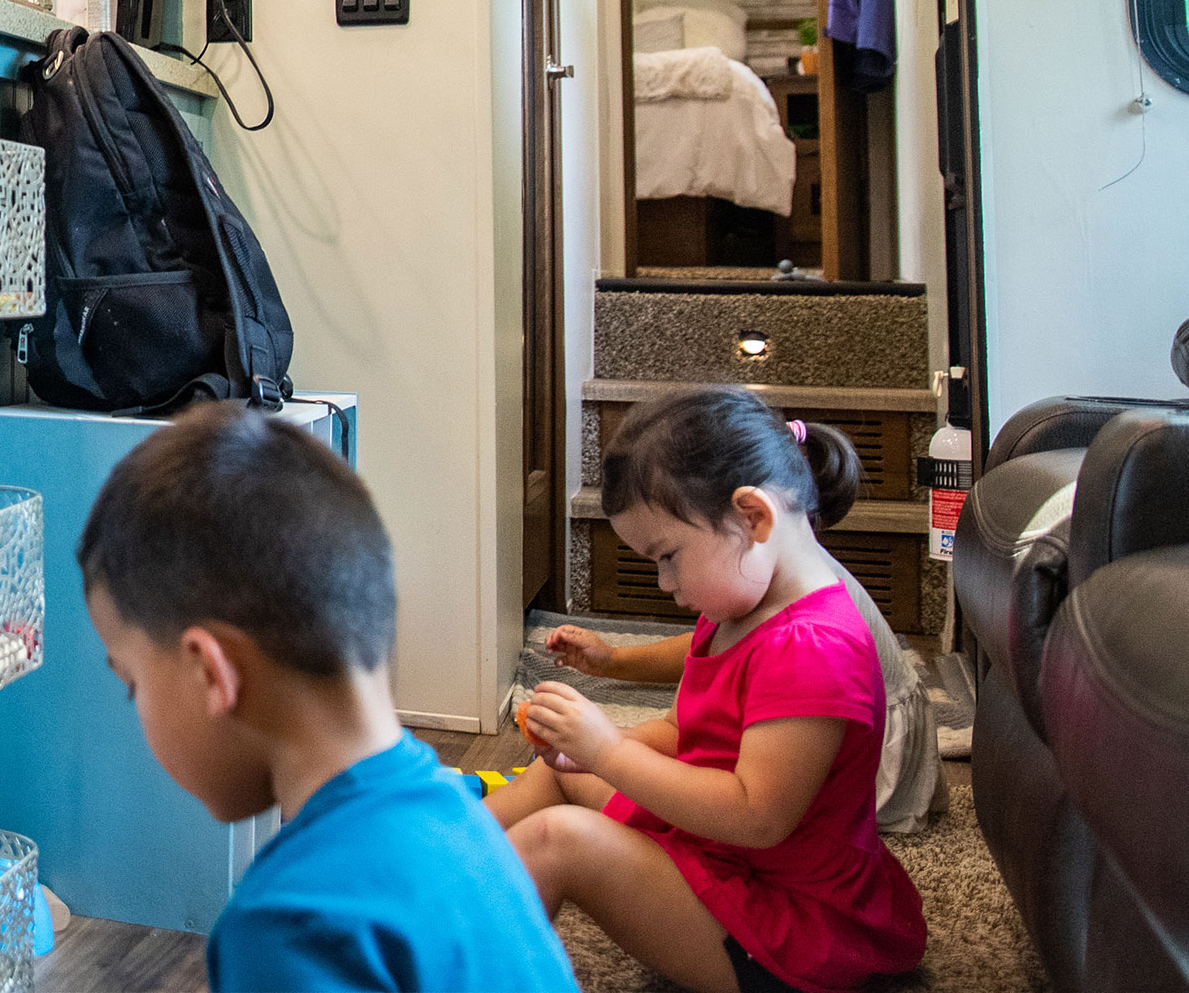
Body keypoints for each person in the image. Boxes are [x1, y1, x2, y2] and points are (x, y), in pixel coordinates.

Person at [81, 403, 578, 993]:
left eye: (131, 682)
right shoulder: (463, 818)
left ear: (208, 673)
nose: (135, 706)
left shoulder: (291, 924)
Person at [492, 386, 926, 993]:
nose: (665, 582)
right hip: (721, 860)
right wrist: (591, 747)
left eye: (668, 555)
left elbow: (756, 816)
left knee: (558, 840)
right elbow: (686, 728)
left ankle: (445, 962)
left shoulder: (814, 647)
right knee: (566, 776)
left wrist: (608, 754)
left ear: (752, 517)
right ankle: (435, 866)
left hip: (786, 932)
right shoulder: (742, 604)